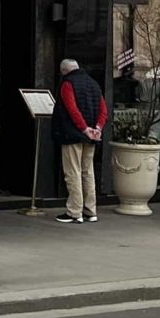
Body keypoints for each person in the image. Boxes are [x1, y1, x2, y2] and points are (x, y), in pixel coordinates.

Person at [55, 58, 107, 224]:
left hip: (73, 134)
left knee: (73, 172)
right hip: (91, 135)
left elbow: (72, 109)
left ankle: (74, 211)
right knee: (88, 172)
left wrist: (84, 129)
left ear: (64, 71)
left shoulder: (67, 84)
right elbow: (103, 110)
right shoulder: (93, 84)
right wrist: (97, 128)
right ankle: (91, 211)